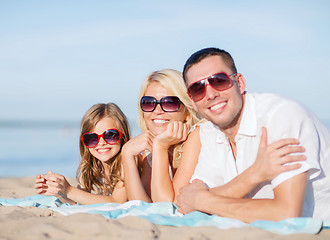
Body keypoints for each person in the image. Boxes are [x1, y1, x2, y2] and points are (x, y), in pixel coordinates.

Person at [175, 47, 330, 222]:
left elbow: (287, 213)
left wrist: (203, 201)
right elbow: (190, 199)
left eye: (219, 81)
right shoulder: (210, 131)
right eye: (198, 89)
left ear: (240, 83)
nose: (210, 94)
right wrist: (255, 174)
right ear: (192, 102)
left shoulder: (280, 117)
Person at [121, 69, 201, 202]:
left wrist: (161, 147)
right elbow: (142, 203)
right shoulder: (152, 145)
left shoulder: (196, 136)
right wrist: (127, 154)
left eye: (169, 102)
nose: (157, 111)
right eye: (149, 103)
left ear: (187, 110)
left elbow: (168, 204)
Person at [35, 102, 131, 205]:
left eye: (110, 135)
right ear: (84, 142)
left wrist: (69, 190)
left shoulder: (127, 162)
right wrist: (59, 191)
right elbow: (78, 201)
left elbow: (116, 202)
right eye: (92, 138)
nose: (101, 143)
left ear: (123, 136)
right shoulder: (90, 166)